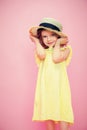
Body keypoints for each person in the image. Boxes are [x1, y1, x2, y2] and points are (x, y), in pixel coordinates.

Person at [29, 17, 74, 130]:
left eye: (53, 35)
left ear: (59, 36)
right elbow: (42, 56)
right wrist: (36, 41)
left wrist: (58, 43)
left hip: (60, 89)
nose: (48, 39)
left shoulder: (66, 49)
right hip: (46, 89)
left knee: (63, 112)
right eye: (44, 36)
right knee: (48, 113)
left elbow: (56, 58)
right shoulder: (41, 51)